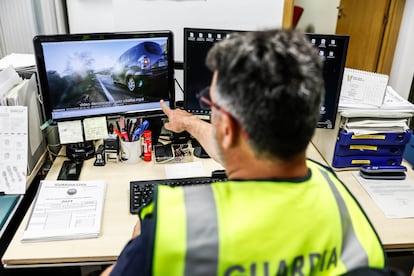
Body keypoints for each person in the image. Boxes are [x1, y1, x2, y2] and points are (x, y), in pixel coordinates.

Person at [102, 29, 388, 275]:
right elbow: (232, 147)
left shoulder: (172, 225)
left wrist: (143, 237)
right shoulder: (338, 194)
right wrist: (189, 122)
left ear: (227, 129)